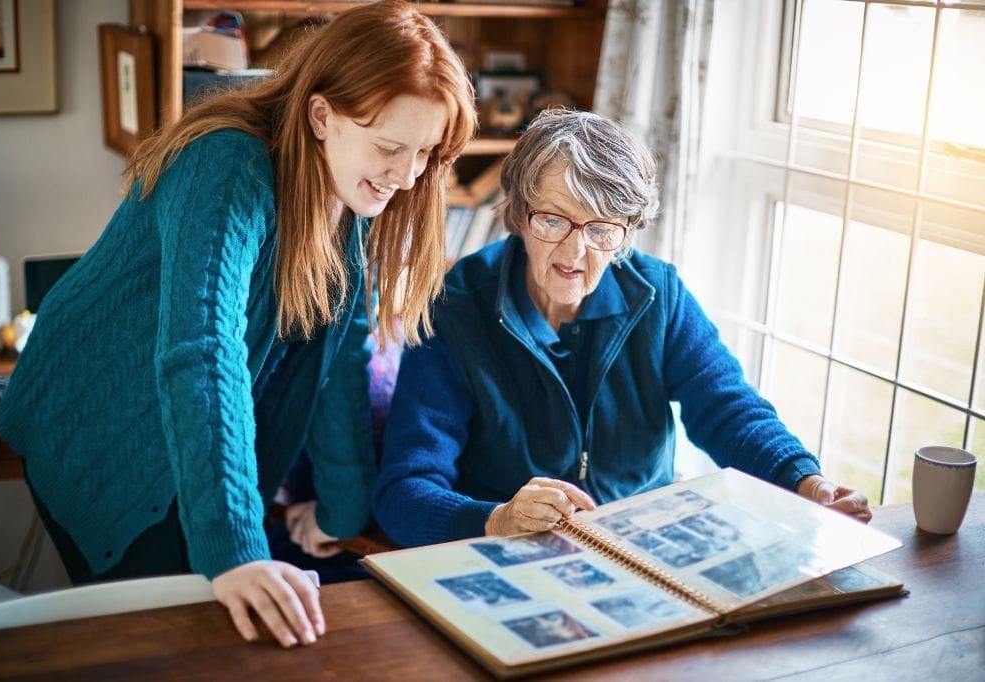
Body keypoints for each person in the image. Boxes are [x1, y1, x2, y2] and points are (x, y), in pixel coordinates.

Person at [0, 0, 475, 648]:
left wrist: (340, 511)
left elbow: (340, 359)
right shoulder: (228, 164)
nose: (408, 175)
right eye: (390, 146)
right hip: (98, 427)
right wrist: (236, 552)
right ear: (320, 115)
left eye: (425, 153)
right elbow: (204, 348)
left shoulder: (349, 193)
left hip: (183, 427)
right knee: (170, 645)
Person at [372, 109, 871, 549]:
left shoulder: (657, 295)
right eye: (553, 221)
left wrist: (804, 480)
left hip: (638, 542)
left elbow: (727, 408)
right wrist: (497, 519)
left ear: (627, 232)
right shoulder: (454, 307)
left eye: (601, 229)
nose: (574, 253)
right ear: (520, 215)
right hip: (511, 551)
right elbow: (403, 493)